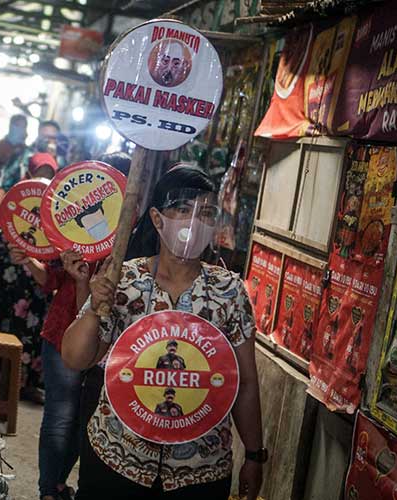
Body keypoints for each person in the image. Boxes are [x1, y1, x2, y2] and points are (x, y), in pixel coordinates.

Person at [62, 166, 265, 500]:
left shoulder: (230, 291)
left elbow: (245, 383)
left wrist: (255, 455)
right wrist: (95, 304)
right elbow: (74, 358)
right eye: (183, 210)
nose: (194, 222)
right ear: (157, 219)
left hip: (201, 468)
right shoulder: (121, 279)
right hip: (118, 457)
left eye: (206, 213)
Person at [9, 152, 131, 500]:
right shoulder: (72, 225)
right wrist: (29, 259)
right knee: (62, 415)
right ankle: (50, 490)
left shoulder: (135, 240)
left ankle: (57, 484)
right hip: (63, 335)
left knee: (84, 420)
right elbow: (50, 281)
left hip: (112, 348)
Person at [0, 152, 59, 401]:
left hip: (39, 281)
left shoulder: (55, 207)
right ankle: (4, 384)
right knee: (10, 326)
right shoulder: (15, 200)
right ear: (29, 174)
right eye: (39, 174)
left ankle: (29, 384)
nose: (43, 180)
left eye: (49, 176)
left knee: (36, 329)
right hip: (14, 280)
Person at [0, 120, 61, 215]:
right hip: (17, 211)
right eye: (44, 137)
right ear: (38, 135)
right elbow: (2, 186)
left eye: (52, 138)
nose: (48, 141)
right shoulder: (22, 156)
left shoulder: (62, 163)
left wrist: (53, 159)